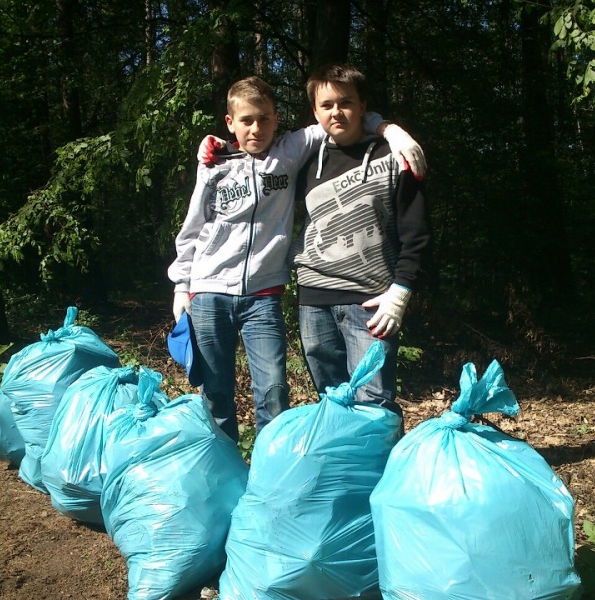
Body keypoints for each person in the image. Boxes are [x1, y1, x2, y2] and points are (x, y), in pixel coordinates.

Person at [168, 75, 425, 442]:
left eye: (264, 119)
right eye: (246, 120)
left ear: (277, 120)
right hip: (208, 292)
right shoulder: (214, 164)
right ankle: (223, 475)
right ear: (230, 123)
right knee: (215, 391)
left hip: (264, 297)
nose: (256, 128)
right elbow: (193, 227)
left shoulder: (289, 152)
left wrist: (391, 131)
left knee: (273, 393)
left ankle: (270, 478)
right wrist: (181, 286)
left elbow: (337, 117)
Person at [292, 64, 431, 420]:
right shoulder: (304, 158)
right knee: (332, 405)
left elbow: (416, 234)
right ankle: (345, 475)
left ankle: (380, 476)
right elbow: (256, 146)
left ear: (362, 106)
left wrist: (400, 293)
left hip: (370, 305)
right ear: (315, 111)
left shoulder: (394, 156)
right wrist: (214, 146)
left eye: (346, 103)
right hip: (314, 301)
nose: (336, 112)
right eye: (326, 105)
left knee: (375, 407)